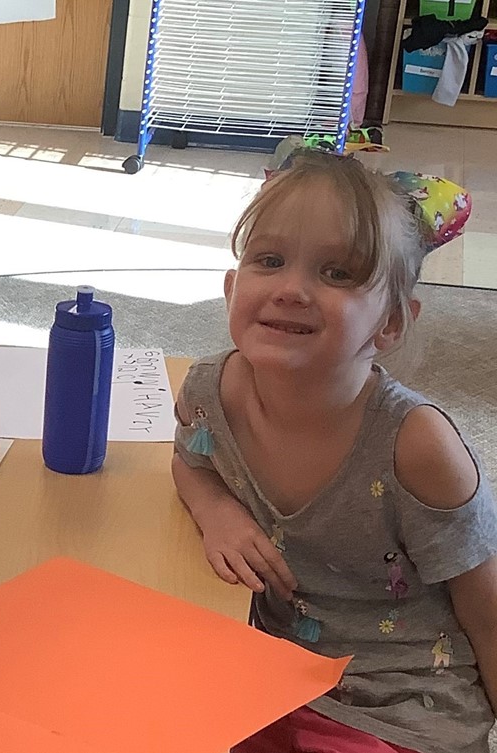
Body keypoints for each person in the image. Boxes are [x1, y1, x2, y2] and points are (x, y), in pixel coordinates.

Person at [172, 150, 497, 753]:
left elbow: (487, 606)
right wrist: (215, 509)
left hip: (402, 707)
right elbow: (190, 459)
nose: (292, 289)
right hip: (269, 677)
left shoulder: (418, 445)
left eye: (337, 273)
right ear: (231, 287)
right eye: (269, 261)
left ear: (391, 323)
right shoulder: (209, 393)